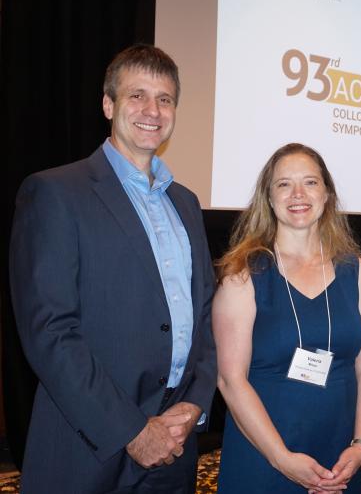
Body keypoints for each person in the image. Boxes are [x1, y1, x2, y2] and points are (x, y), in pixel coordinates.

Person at [9, 44, 217, 493]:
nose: (152, 110)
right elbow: (49, 331)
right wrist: (133, 431)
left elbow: (204, 315)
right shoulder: (55, 193)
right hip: (91, 446)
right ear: (109, 105)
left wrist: (195, 404)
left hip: (175, 448)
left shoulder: (186, 202)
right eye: (136, 95)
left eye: (165, 99)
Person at [213, 143, 361, 493]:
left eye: (310, 182)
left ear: (326, 195)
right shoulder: (243, 277)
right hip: (265, 458)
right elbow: (231, 380)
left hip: (340, 458)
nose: (298, 194)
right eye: (284, 184)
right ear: (269, 198)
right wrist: (282, 458)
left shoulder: (357, 271)